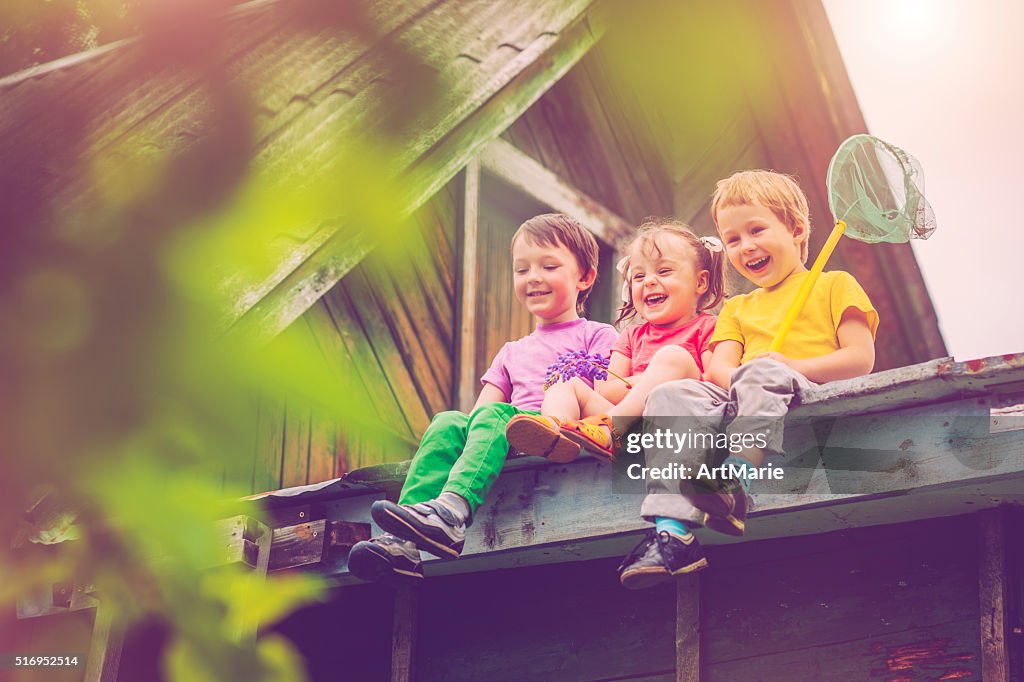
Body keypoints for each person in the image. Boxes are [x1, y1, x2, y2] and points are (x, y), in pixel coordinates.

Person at [617, 170, 878, 589]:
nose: (746, 246)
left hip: (799, 390)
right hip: (741, 393)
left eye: (756, 230)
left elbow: (860, 358)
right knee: (671, 392)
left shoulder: (833, 285)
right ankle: (672, 532)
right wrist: (745, 374)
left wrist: (786, 364)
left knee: (763, 369)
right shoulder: (737, 308)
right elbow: (720, 370)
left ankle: (737, 481)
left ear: (796, 230)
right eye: (733, 238)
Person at [347, 213, 618, 583]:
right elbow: (479, 416)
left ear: (585, 277)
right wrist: (471, 430)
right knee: (447, 421)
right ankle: (403, 542)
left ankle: (452, 514)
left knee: (494, 416)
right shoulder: (511, 351)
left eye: (549, 266)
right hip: (500, 435)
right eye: (522, 270)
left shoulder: (597, 336)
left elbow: (607, 401)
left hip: (550, 437)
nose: (533, 277)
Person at [504, 219, 725, 469]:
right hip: (627, 427)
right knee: (568, 382)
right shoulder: (631, 336)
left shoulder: (710, 327)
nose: (648, 281)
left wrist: (652, 378)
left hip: (671, 424)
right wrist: (646, 383)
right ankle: (557, 432)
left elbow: (712, 386)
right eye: (639, 276)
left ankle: (609, 426)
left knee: (673, 357)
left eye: (663, 271)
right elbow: (607, 391)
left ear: (700, 282)